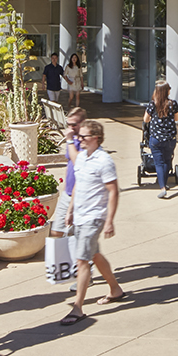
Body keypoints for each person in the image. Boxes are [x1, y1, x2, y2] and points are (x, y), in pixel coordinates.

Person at [60, 118, 126, 323]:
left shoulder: (104, 160)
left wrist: (109, 220)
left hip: (94, 217)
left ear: (96, 138)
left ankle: (77, 308)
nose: (81, 139)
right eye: (80, 136)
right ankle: (115, 289)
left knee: (82, 261)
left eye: (84, 136)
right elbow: (78, 184)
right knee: (94, 255)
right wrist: (70, 211)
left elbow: (113, 191)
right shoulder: (82, 158)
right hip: (79, 216)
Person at [142, 80, 178, 199]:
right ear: (166, 91)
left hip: (156, 139)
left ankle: (163, 187)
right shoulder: (173, 104)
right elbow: (176, 118)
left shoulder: (152, 104)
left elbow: (146, 120)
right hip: (170, 138)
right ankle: (164, 183)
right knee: (167, 161)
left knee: (159, 163)